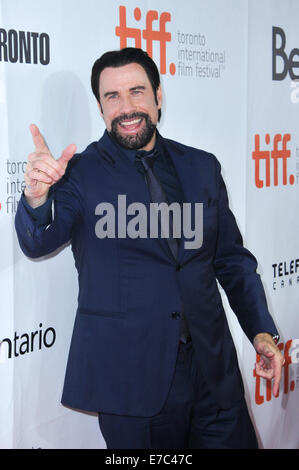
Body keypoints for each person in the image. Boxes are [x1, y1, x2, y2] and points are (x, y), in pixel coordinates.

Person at [15, 47, 284, 449]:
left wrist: (262, 332)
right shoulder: (79, 174)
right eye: (113, 97)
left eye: (137, 91)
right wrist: (37, 199)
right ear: (100, 107)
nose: (127, 108)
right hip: (131, 387)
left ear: (159, 96)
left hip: (215, 378)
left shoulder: (201, 166)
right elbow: (38, 241)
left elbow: (232, 261)